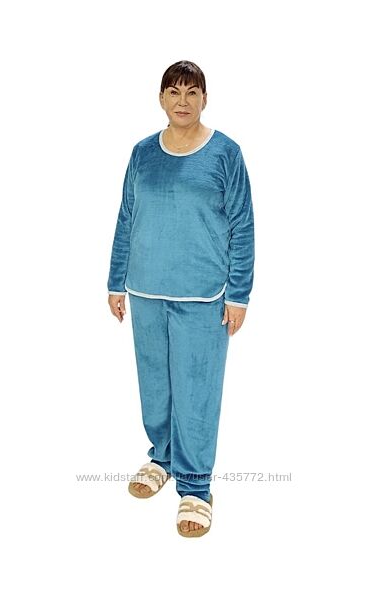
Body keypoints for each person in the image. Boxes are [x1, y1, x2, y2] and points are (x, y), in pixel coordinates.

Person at [107, 60, 255, 537]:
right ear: (161, 98)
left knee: (196, 392)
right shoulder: (142, 153)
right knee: (155, 386)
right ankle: (163, 458)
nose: (183, 101)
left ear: (205, 99)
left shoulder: (225, 153)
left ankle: (195, 487)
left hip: (203, 295)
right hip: (145, 288)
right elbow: (127, 217)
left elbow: (242, 226)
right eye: (174, 91)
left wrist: (239, 295)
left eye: (192, 92)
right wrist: (115, 282)